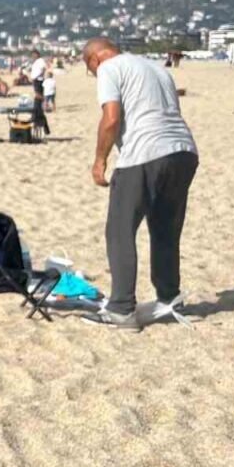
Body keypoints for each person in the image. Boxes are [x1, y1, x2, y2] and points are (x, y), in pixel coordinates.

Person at [82, 37, 199, 329]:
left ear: (95, 59)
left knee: (119, 230)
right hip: (183, 152)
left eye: (90, 69)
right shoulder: (158, 69)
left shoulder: (109, 67)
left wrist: (99, 160)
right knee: (165, 230)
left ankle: (121, 309)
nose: (93, 74)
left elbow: (111, 118)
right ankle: (169, 301)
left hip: (145, 153)